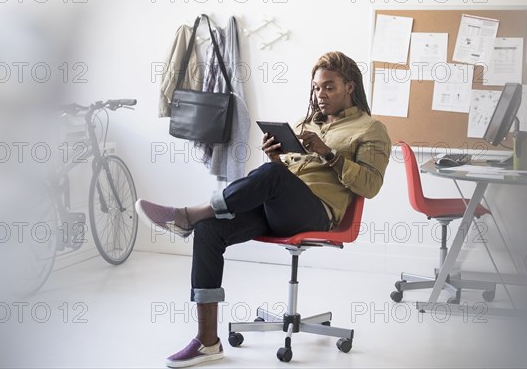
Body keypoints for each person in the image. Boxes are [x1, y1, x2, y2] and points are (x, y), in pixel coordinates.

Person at [136, 51, 392, 368]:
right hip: (279, 208)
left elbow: (370, 186)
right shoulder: (305, 123)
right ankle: (207, 341)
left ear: (349, 87)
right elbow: (284, 173)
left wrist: (328, 154)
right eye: (316, 88)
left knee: (267, 180)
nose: (320, 95)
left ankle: (191, 213)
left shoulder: (370, 129)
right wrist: (274, 157)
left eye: (329, 87)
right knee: (208, 232)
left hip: (318, 214)